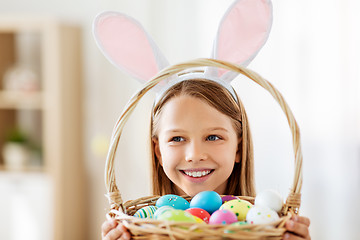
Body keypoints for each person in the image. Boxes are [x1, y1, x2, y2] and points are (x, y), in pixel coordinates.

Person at [101, 79, 311, 240]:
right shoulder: (140, 227)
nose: (194, 155)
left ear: (239, 147)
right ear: (159, 152)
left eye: (213, 137)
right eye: (177, 138)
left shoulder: (270, 228)